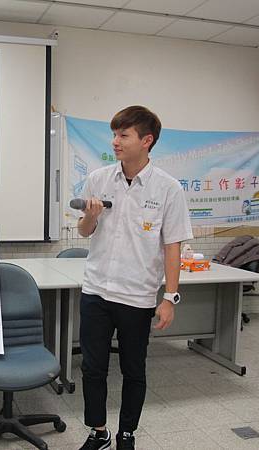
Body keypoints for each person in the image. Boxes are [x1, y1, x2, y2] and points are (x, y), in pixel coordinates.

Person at [77, 105, 193, 450]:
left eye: (123, 135)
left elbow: (172, 246)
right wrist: (91, 216)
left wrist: (169, 298)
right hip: (96, 290)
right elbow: (84, 231)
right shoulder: (98, 179)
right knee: (92, 368)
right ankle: (98, 431)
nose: (115, 141)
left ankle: (127, 433)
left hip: (137, 295)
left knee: (133, 369)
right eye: (114, 134)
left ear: (146, 140)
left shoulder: (168, 188)